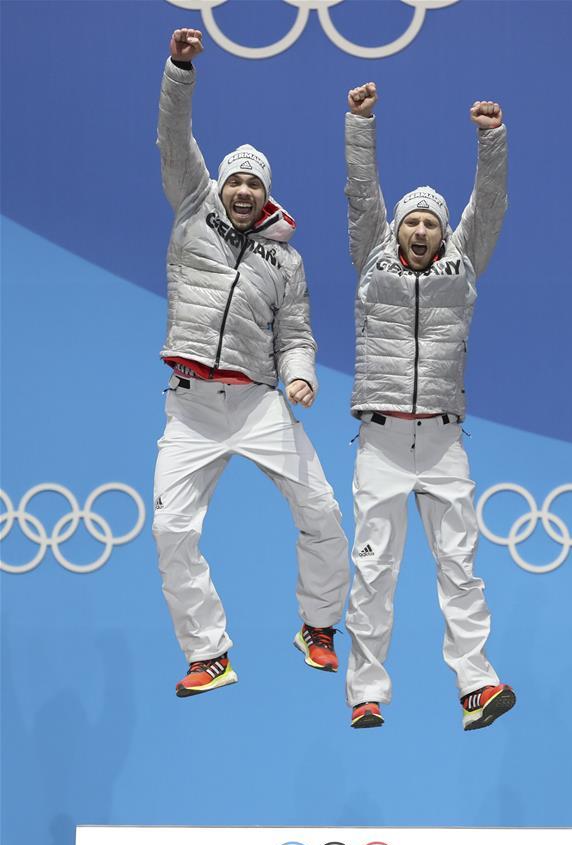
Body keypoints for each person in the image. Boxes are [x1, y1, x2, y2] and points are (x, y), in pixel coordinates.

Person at [152, 28, 349, 698]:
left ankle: (318, 626)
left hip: (258, 402)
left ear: (265, 194)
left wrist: (299, 374)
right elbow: (174, 136)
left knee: (320, 508)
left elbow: (295, 331)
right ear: (219, 185)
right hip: (191, 406)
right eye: (233, 179)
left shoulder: (283, 259)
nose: (240, 191)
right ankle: (208, 654)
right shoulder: (191, 206)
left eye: (252, 184)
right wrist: (180, 67)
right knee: (170, 528)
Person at [343, 82, 515, 730]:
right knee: (374, 571)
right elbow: (362, 196)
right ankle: (365, 692)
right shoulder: (372, 262)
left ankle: (475, 685)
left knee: (460, 569)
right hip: (382, 440)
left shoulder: (462, 265)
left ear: (443, 232)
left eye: (430, 223)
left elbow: (489, 204)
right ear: (397, 230)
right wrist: (359, 121)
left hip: (442, 440)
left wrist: (490, 139)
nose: (419, 229)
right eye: (411, 221)